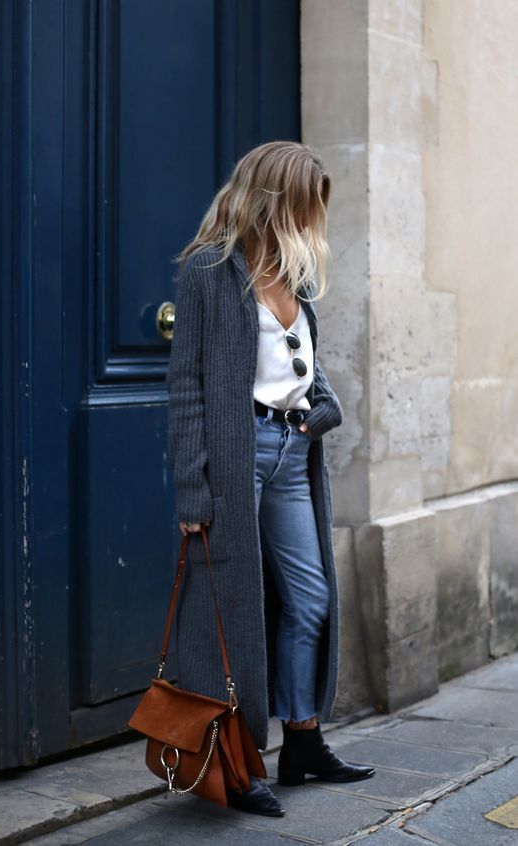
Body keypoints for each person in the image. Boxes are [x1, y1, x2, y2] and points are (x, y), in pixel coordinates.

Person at [166, 140, 375, 817]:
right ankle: (239, 758)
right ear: (276, 199)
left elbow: (302, 366)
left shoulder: (296, 274)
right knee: (234, 613)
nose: (315, 216)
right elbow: (187, 389)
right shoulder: (208, 272)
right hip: (236, 455)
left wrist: (323, 406)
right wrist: (193, 490)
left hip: (290, 453)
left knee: (310, 598)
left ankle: (304, 738)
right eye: (307, 202)